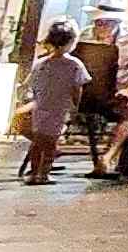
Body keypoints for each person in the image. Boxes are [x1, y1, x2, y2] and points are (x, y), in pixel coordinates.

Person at [23, 22, 92, 184]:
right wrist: (75, 107)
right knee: (51, 143)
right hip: (59, 108)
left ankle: (34, 172)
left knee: (38, 141)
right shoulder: (75, 65)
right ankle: (43, 173)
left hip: (40, 106)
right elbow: (78, 88)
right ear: (72, 42)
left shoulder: (41, 64)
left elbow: (32, 85)